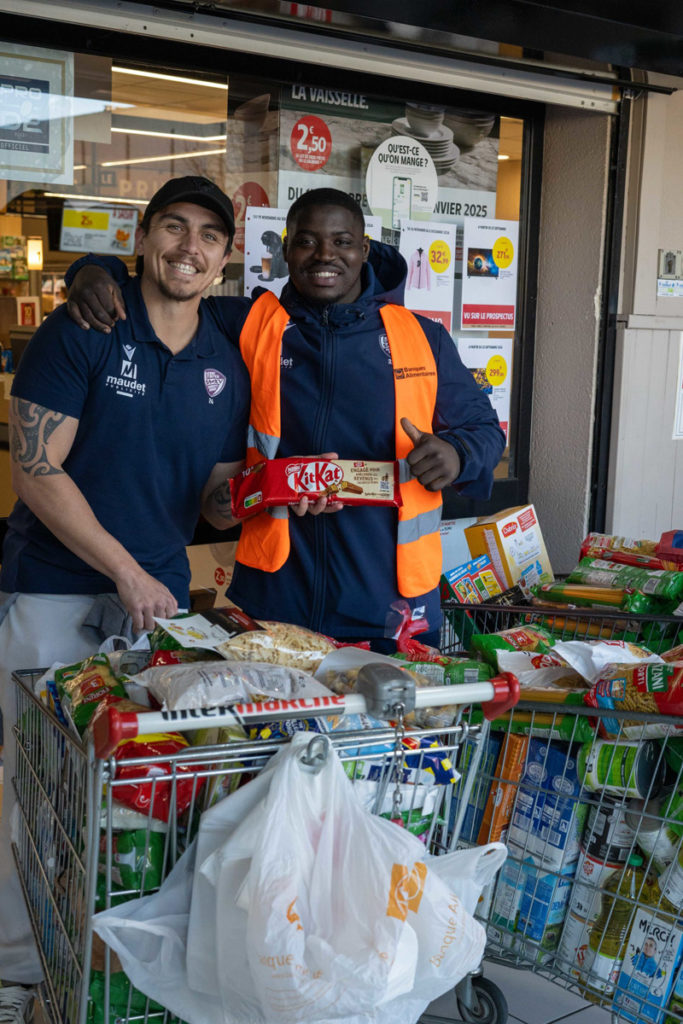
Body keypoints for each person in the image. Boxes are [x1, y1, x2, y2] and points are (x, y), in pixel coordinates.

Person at [0, 175, 250, 994]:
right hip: (55, 591)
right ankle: (16, 974)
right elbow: (37, 471)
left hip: (156, 607)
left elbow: (213, 493)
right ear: (143, 239)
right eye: (173, 229)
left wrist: (264, 498)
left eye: (209, 236)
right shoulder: (88, 325)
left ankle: (107, 965)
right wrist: (126, 570)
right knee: (37, 784)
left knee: (133, 798)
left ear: (226, 256)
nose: (190, 247)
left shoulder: (226, 352)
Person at [66, 187, 506, 648]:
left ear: (365, 249)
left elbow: (483, 431)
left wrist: (457, 453)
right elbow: (168, 292)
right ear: (287, 248)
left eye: (341, 241)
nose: (324, 255)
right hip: (274, 600)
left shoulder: (422, 337)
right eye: (307, 241)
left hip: (392, 607)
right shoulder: (247, 322)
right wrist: (95, 270)